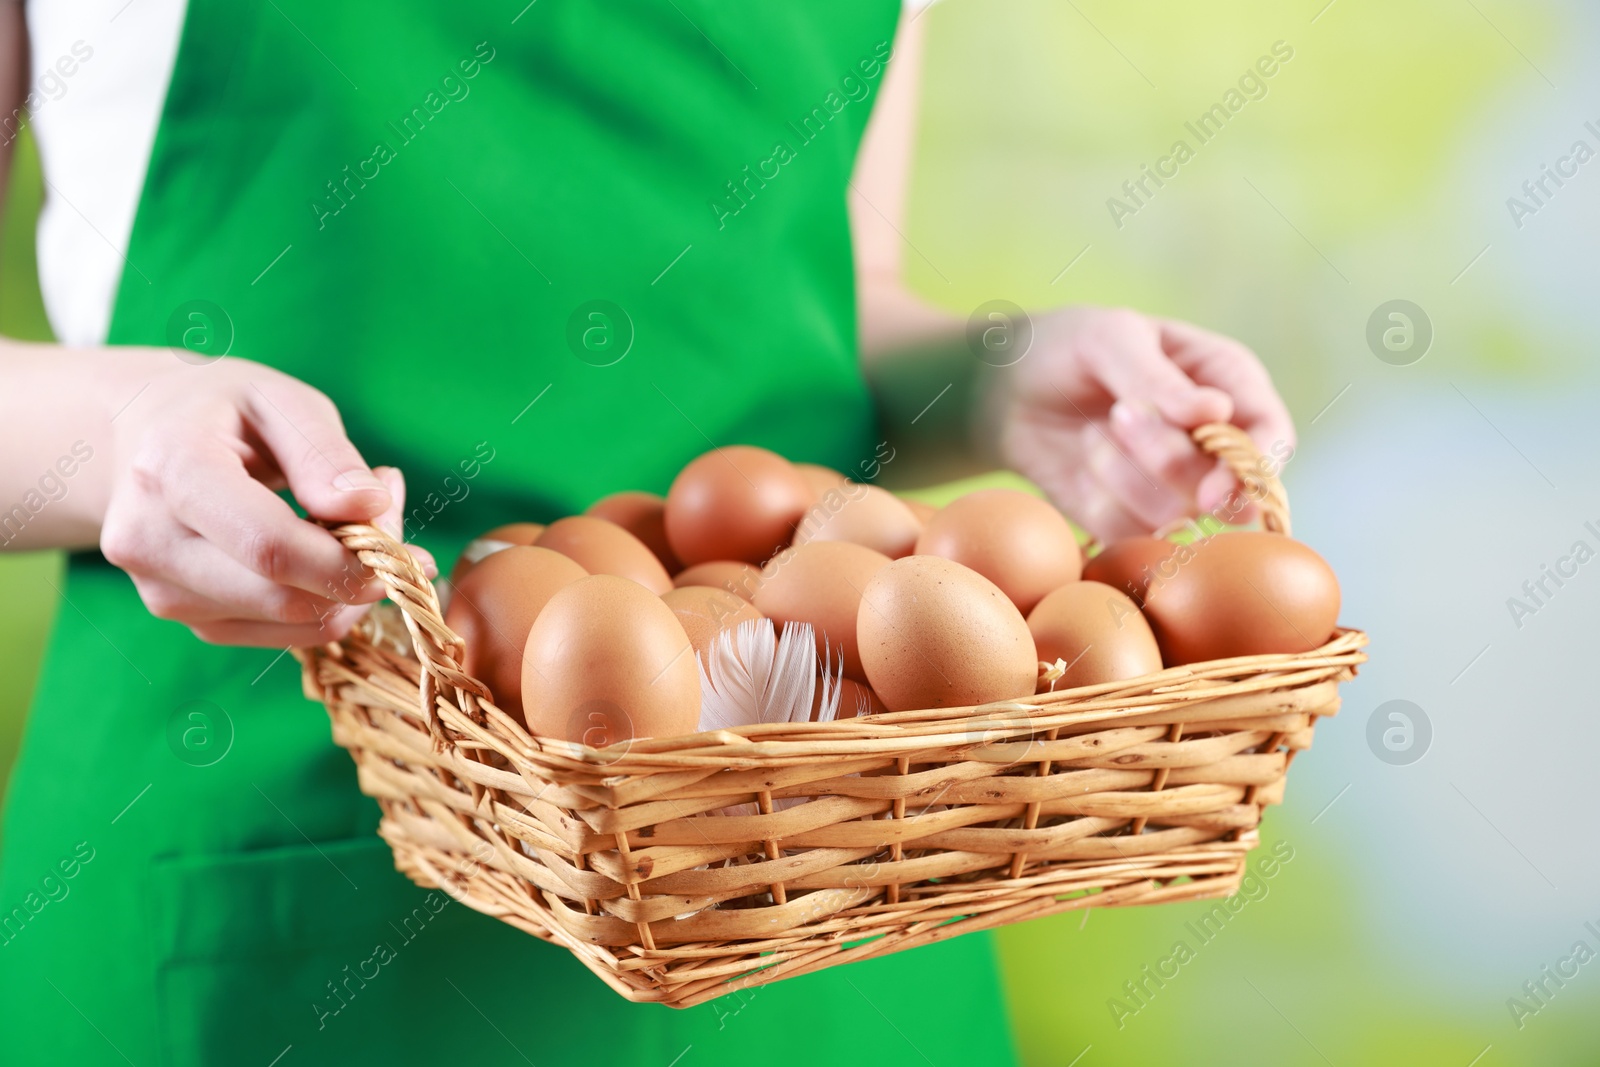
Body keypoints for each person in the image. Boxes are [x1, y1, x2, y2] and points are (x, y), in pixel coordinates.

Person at [0, 2, 1294, 1064]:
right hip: (270, 897)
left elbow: (824, 300)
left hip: (822, 894)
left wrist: (1006, 382)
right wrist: (120, 433)